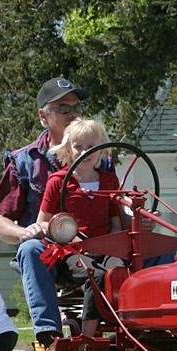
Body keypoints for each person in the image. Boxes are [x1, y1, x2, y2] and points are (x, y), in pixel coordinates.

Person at [0, 76, 89, 349]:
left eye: (77, 108)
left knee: (154, 247)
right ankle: (50, 337)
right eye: (64, 109)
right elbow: (0, 222)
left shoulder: (97, 154)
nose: (73, 114)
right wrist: (24, 231)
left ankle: (154, 333)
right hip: (50, 253)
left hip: (93, 247)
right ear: (43, 116)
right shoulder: (24, 160)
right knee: (31, 248)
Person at [37, 118, 125, 337]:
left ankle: (124, 332)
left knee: (120, 272)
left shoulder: (109, 181)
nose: (85, 152)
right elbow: (42, 222)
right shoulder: (58, 182)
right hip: (72, 251)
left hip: (104, 249)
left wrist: (115, 247)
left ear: (101, 150)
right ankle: (88, 337)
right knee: (94, 274)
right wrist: (62, 231)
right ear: (68, 149)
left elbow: (116, 223)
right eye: (78, 146)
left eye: (91, 147)